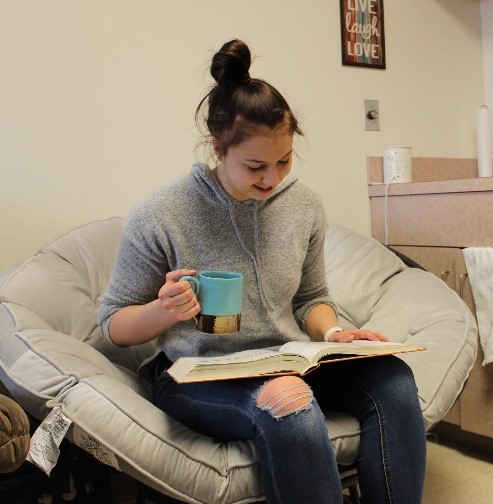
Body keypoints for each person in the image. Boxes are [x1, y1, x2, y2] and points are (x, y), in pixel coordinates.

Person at [98, 39, 426, 504]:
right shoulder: (161, 213)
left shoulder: (304, 205)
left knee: (392, 380)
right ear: (218, 147)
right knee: (287, 400)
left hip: (285, 359)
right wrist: (164, 310)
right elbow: (114, 326)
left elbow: (310, 297)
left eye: (284, 161)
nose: (272, 179)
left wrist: (333, 334)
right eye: (255, 166)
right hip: (198, 376)